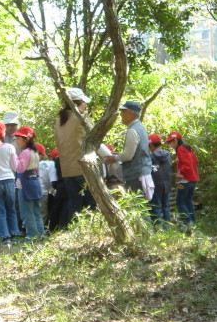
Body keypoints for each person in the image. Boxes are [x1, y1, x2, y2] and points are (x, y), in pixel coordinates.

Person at [53, 88, 95, 227]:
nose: (86, 106)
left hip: (67, 169)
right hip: (83, 167)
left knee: (74, 202)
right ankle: (95, 229)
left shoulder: (59, 121)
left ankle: (74, 231)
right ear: (79, 103)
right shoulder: (81, 118)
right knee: (93, 200)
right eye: (84, 103)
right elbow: (95, 136)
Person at [105, 101, 154, 200]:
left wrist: (114, 158)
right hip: (141, 173)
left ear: (130, 113)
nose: (121, 115)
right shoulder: (140, 127)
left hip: (136, 176)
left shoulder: (133, 130)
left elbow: (128, 156)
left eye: (123, 112)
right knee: (141, 207)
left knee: (138, 209)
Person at [13, 126, 44, 240]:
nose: (17, 142)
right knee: (36, 212)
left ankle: (32, 236)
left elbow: (20, 168)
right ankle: (41, 234)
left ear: (26, 139)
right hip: (35, 183)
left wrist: (14, 159)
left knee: (27, 212)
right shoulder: (35, 152)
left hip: (25, 186)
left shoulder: (25, 153)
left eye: (18, 139)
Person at [166, 131, 199, 232]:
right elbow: (196, 161)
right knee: (188, 201)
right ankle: (192, 223)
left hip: (185, 180)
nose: (170, 145)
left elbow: (187, 164)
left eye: (171, 142)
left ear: (175, 140)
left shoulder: (180, 148)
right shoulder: (188, 147)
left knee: (180, 202)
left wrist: (181, 173)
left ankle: (187, 224)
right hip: (193, 179)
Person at [147, 134, 172, 225]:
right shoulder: (168, 155)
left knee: (156, 207)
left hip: (155, 185)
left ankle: (158, 229)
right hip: (167, 184)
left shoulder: (150, 157)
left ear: (152, 145)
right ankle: (167, 227)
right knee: (166, 206)